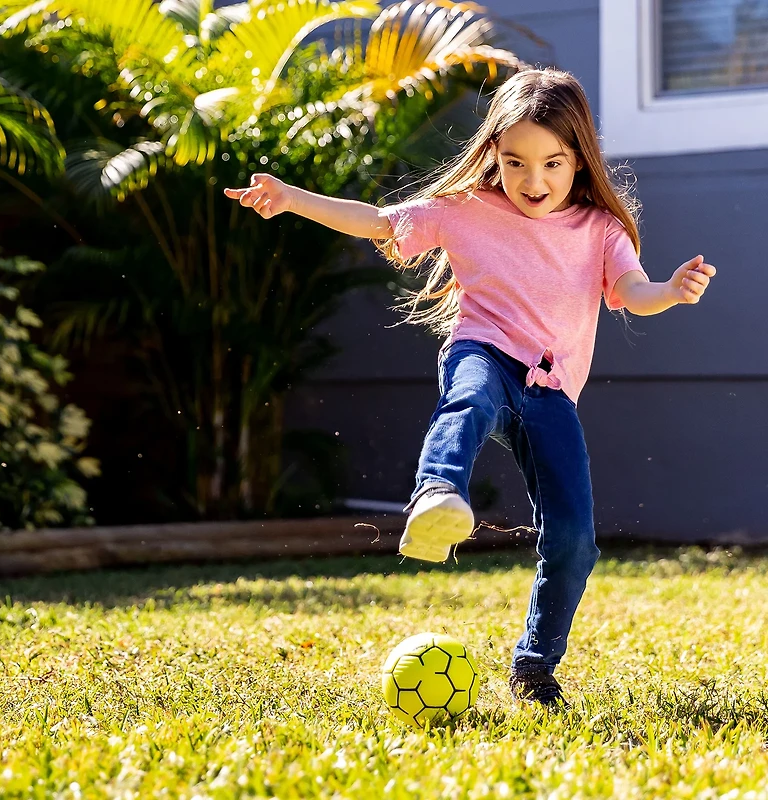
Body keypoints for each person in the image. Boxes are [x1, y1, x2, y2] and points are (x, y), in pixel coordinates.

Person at [224, 68, 716, 706]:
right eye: (514, 162)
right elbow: (377, 220)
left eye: (552, 163)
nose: (532, 182)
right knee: (469, 398)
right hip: (483, 349)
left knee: (574, 540)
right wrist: (294, 199)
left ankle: (535, 668)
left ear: (579, 159)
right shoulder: (465, 210)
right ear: (493, 155)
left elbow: (631, 292)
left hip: (552, 391)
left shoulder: (599, 231)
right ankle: (437, 493)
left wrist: (671, 293)